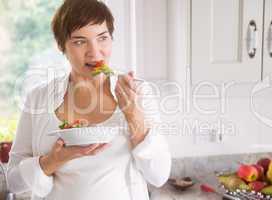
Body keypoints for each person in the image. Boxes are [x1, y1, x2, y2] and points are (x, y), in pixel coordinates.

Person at [7, 0, 171, 199]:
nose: (94, 52)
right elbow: (14, 182)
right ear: (61, 46)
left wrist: (134, 116)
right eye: (79, 41)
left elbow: (159, 176)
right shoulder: (38, 98)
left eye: (102, 38)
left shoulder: (138, 92)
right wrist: (53, 160)